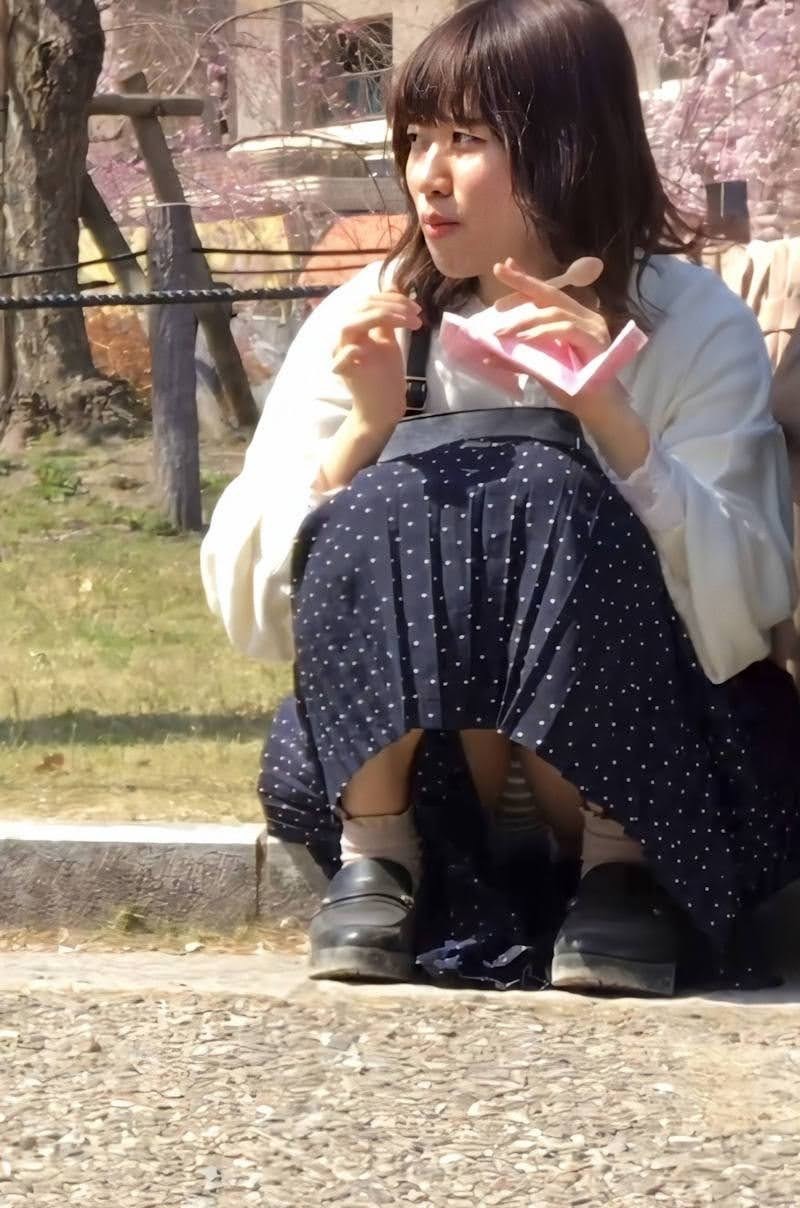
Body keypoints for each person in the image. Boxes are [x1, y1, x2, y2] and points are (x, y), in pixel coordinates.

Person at [201, 0, 800, 996]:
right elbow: (255, 614)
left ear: (569, 145)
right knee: (396, 484)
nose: (425, 174)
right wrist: (360, 435)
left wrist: (610, 418)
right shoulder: (371, 317)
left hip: (659, 782)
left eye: (466, 139)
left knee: (545, 479)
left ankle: (616, 873)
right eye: (416, 139)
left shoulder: (692, 321)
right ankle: (379, 861)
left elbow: (745, 609)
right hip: (433, 786)